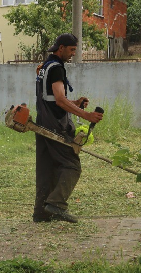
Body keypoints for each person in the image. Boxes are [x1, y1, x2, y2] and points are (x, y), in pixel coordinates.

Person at [34, 33, 103, 223]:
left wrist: (75, 103)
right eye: (72, 50)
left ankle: (41, 213)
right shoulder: (56, 68)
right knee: (72, 165)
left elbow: (52, 98)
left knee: (46, 167)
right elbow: (59, 100)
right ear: (61, 48)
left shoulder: (45, 66)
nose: (73, 53)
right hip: (54, 124)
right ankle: (56, 204)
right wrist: (87, 115)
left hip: (42, 120)